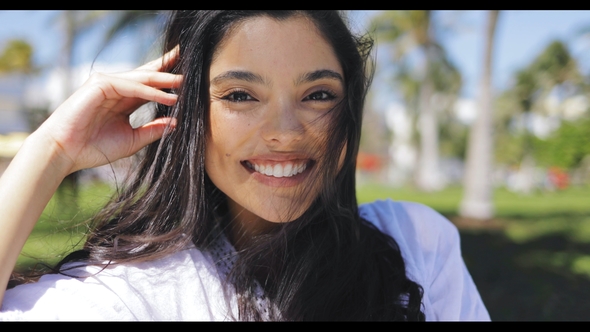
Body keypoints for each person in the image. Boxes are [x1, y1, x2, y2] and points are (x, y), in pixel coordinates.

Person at [0, 10, 489, 321]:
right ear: (189, 111)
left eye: (318, 95)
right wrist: (52, 150)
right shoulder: (132, 295)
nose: (286, 131)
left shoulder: (416, 243)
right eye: (240, 95)